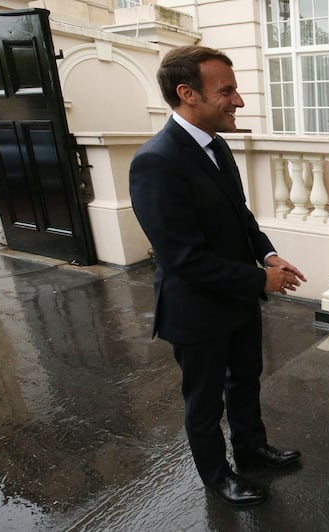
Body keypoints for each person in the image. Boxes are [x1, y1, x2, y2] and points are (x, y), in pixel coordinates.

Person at [130, 45, 307, 506]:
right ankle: (217, 476)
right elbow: (182, 257)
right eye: (226, 90)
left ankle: (250, 449)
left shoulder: (217, 146)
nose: (239, 101)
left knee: (246, 379)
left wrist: (267, 256)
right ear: (187, 93)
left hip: (238, 299)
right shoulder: (155, 161)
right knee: (204, 403)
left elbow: (241, 217)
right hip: (196, 311)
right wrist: (259, 281)